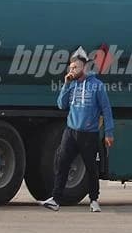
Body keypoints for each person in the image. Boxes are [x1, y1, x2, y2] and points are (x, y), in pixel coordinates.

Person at [40, 48, 114, 212]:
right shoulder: (71, 85)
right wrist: (66, 85)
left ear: (85, 68)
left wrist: (109, 132)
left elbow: (106, 109)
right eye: (71, 67)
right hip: (71, 132)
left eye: (76, 67)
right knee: (62, 163)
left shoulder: (97, 86)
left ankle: (94, 200)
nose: (72, 70)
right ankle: (56, 199)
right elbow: (61, 104)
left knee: (91, 168)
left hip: (89, 134)